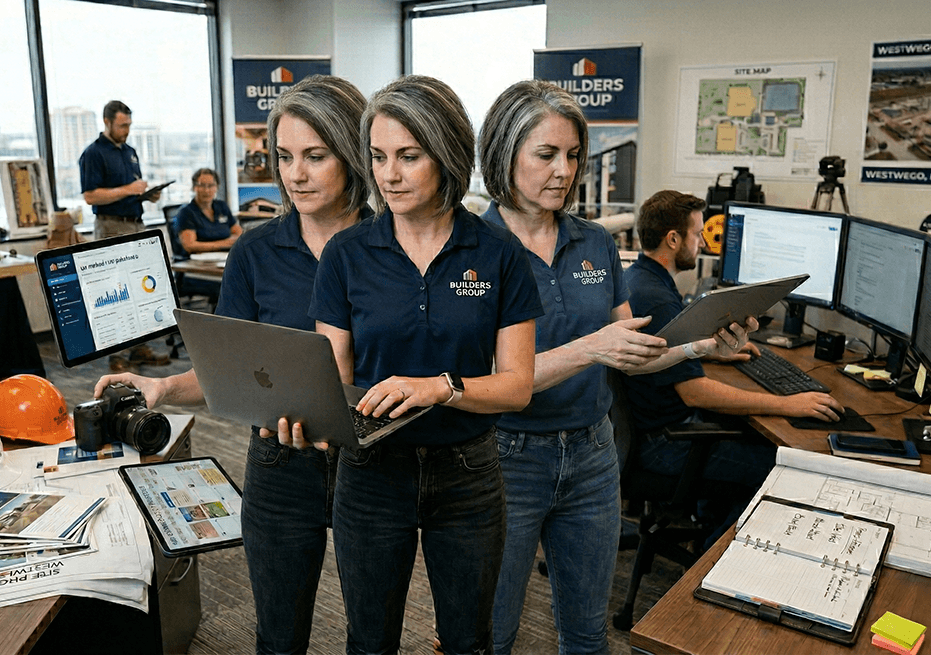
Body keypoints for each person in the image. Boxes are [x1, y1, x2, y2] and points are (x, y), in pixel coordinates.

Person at [92, 75, 371, 654]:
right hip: (278, 457)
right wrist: (162, 386)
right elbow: (229, 375)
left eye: (315, 157)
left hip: (371, 462)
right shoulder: (255, 252)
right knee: (278, 635)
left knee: (372, 637)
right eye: (285, 157)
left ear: (351, 152)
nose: (295, 174)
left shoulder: (392, 245)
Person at [478, 80, 757, 655]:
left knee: (587, 635)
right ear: (505, 153)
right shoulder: (471, 249)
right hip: (506, 460)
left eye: (573, 155)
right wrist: (591, 349)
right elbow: (485, 379)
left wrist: (700, 350)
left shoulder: (594, 244)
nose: (564, 170)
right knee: (490, 634)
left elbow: (629, 351)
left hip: (592, 456)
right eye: (546, 154)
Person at [307, 75, 543, 655]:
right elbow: (331, 379)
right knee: (369, 640)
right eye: (379, 157)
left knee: (467, 641)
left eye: (408, 157)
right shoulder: (346, 254)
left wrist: (441, 387)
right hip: (371, 471)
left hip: (467, 473)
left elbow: (517, 388)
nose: (388, 174)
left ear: (446, 154)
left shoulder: (497, 252)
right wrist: (307, 414)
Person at [622, 190, 843, 487]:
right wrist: (788, 403)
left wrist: (710, 350)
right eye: (697, 234)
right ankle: (718, 532)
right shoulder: (658, 299)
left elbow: (663, 348)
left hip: (652, 429)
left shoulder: (640, 279)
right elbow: (695, 393)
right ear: (673, 240)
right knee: (783, 472)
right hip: (665, 444)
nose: (702, 243)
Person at [79, 99, 168, 372]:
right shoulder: (93, 154)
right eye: (122, 125)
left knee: (140, 290)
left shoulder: (130, 151)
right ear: (107, 122)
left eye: (129, 125)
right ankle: (116, 356)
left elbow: (133, 190)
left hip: (136, 224)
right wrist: (129, 190)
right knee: (116, 292)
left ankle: (139, 348)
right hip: (111, 226)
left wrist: (147, 194)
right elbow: (90, 195)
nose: (126, 130)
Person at [173, 167, 242, 256]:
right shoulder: (186, 213)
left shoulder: (222, 206)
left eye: (211, 185)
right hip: (199, 263)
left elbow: (238, 233)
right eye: (201, 185)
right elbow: (190, 246)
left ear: (216, 187)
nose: (206, 190)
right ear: (194, 187)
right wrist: (225, 244)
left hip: (224, 257)